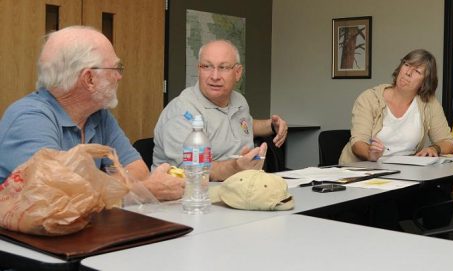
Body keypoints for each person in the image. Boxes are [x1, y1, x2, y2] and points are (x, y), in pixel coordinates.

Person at [0, 26, 184, 200]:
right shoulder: (30, 119)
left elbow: (138, 170)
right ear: (89, 79)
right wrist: (144, 190)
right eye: (116, 69)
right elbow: (56, 195)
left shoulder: (98, 115)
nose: (119, 77)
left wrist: (98, 186)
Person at [338, 49, 453, 231]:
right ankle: (394, 250)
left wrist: (435, 149)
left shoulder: (428, 103)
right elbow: (357, 142)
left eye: (417, 71)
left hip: (405, 177)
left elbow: (448, 141)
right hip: (367, 177)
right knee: (384, 204)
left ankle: (435, 249)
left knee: (440, 199)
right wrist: (370, 153)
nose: (407, 72)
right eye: (407, 65)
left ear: (425, 81)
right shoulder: (370, 98)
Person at [153, 40, 288, 181]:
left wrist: (271, 125)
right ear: (199, 69)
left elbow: (243, 124)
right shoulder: (183, 111)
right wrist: (236, 168)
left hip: (242, 187)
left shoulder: (239, 101)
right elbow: (194, 169)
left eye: (223, 67)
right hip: (192, 195)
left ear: (237, 72)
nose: (215, 76)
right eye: (207, 66)